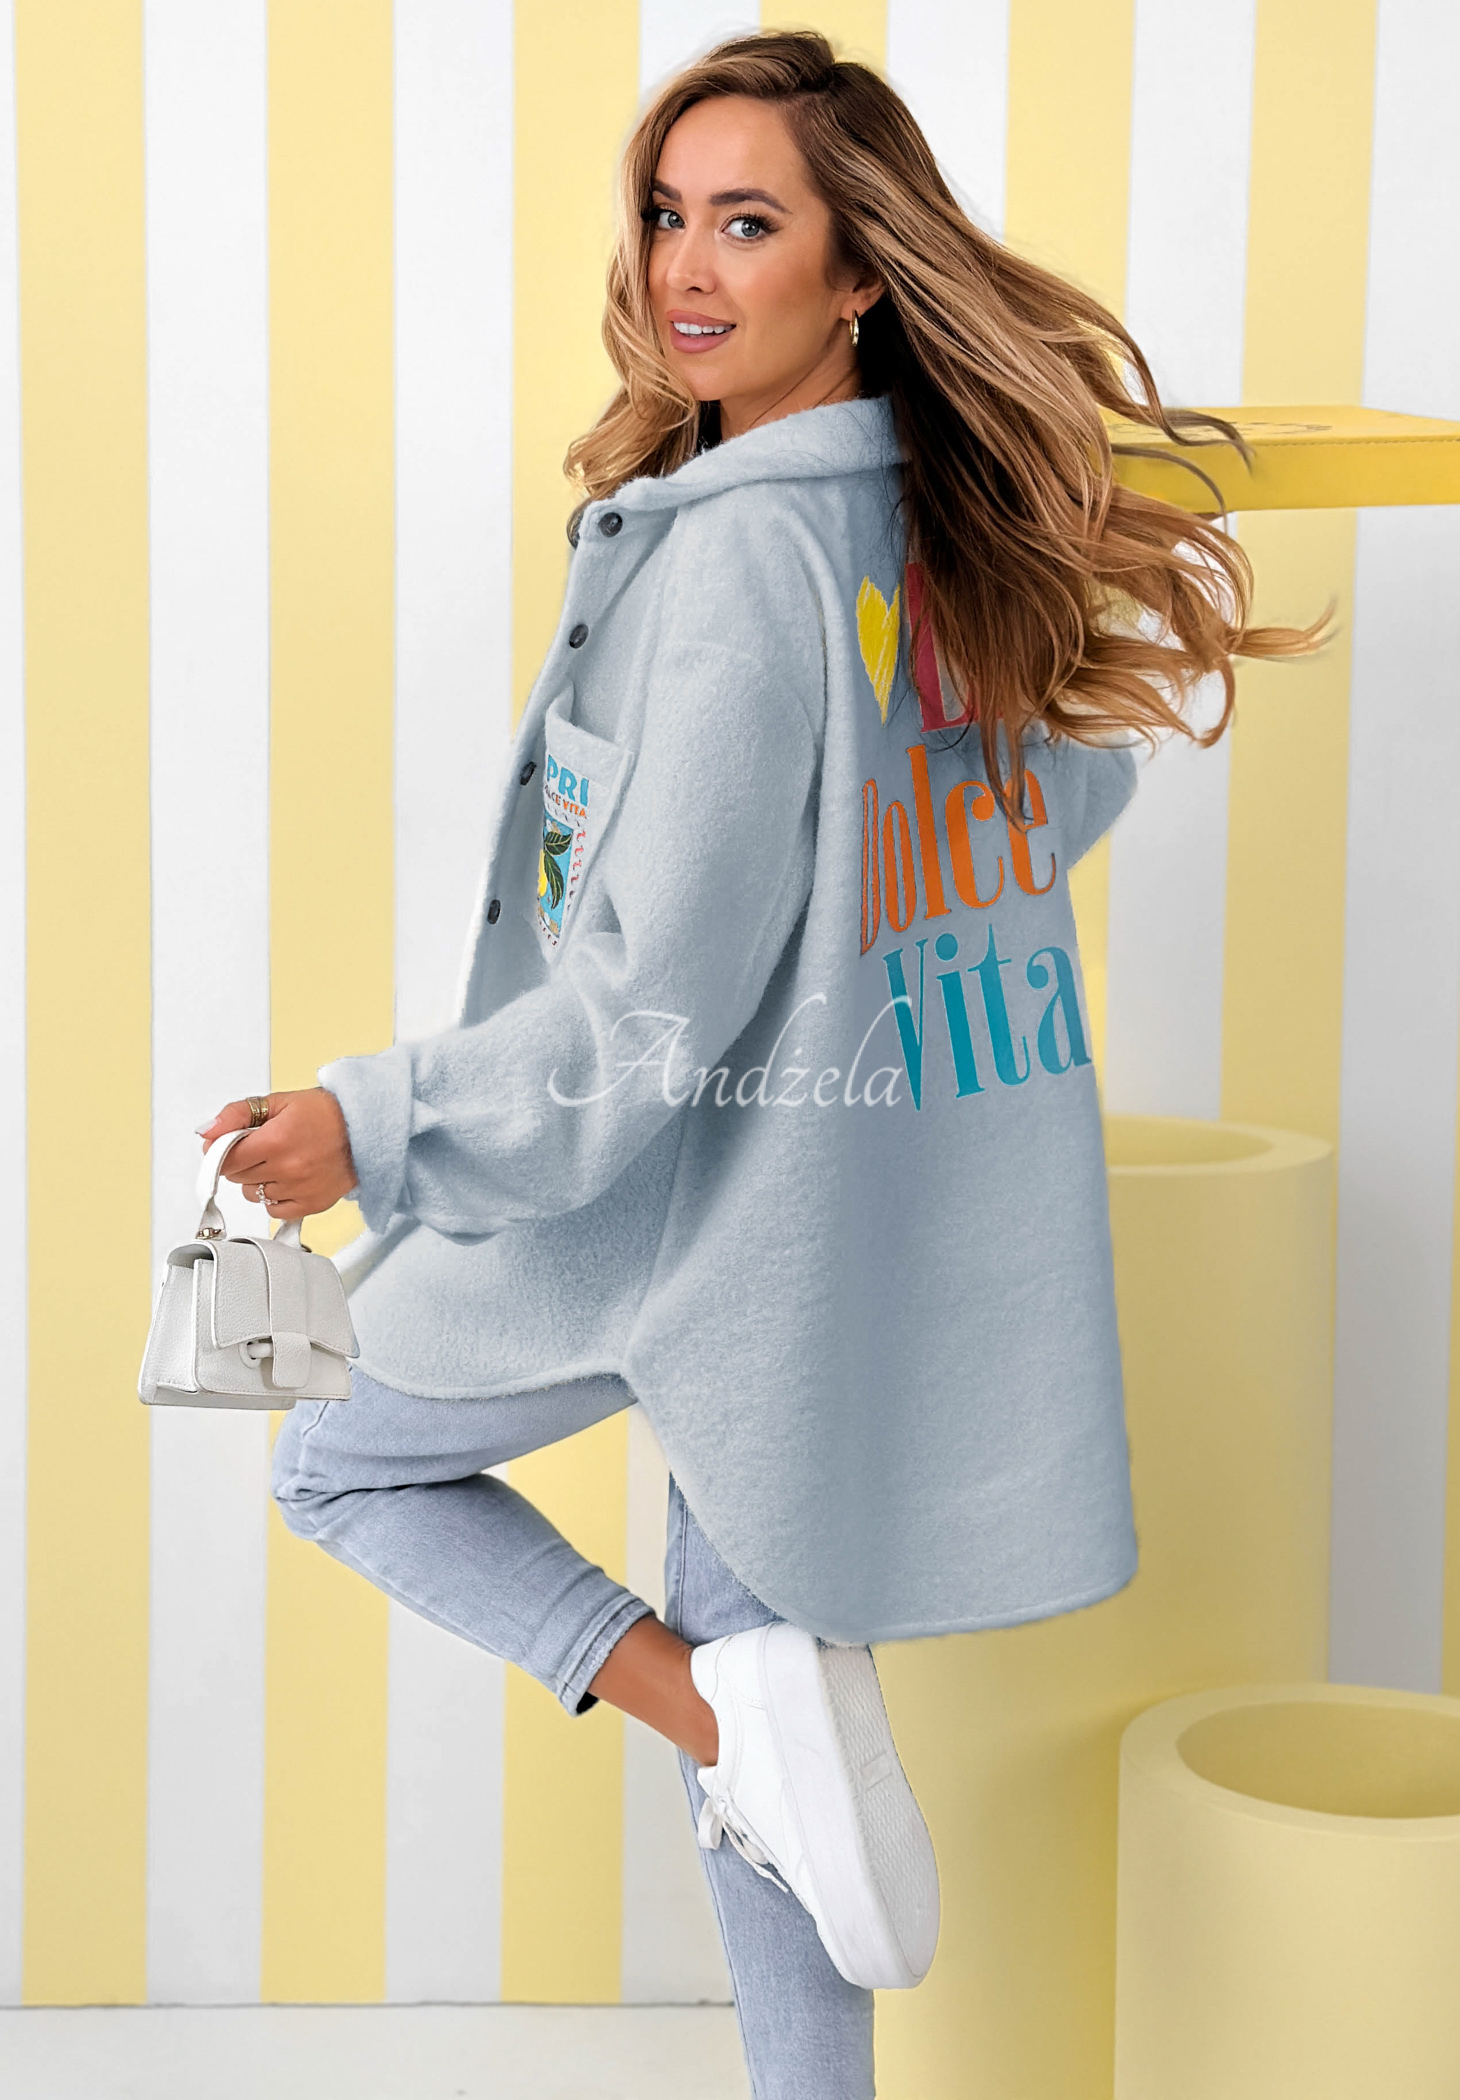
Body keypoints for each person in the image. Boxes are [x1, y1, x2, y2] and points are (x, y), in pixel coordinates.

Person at [198, 32, 1320, 2100]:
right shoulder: (938, 531)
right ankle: (753, 1742)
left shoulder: (736, 559)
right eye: (665, 214)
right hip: (851, 1210)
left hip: (693, 1197)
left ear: (860, 269)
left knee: (340, 1458)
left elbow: (650, 994)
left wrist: (377, 1121)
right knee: (793, 1793)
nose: (686, 268)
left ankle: (717, 1713)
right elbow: (1049, 811)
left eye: (747, 221)